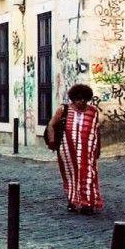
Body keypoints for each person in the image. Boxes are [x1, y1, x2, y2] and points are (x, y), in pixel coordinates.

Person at [47, 83, 104, 215]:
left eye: (84, 99)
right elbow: (51, 124)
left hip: (87, 151)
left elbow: (97, 129)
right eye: (79, 99)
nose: (82, 101)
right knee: (71, 176)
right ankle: (73, 202)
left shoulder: (93, 111)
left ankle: (87, 204)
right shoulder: (64, 109)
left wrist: (98, 149)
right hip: (67, 151)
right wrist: (52, 141)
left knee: (88, 175)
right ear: (73, 99)